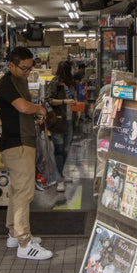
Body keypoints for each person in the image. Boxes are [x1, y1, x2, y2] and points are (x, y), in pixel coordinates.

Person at [0, 46, 53, 260]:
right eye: (23, 68)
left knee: (17, 189)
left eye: (30, 68)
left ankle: (13, 232)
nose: (27, 72)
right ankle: (24, 242)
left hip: (21, 141)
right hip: (17, 143)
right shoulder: (8, 82)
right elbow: (21, 106)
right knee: (24, 192)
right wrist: (38, 109)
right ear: (11, 65)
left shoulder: (18, 80)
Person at [47, 60, 75, 192]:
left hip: (69, 119)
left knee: (65, 148)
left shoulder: (70, 84)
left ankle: (61, 174)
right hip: (58, 120)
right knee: (58, 149)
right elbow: (48, 100)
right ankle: (58, 179)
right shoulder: (55, 83)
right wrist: (65, 101)